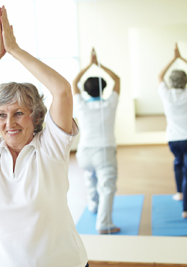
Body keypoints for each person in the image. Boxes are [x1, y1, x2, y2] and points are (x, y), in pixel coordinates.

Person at [0, 6, 88, 267]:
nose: (9, 123)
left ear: (35, 116)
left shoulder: (51, 146)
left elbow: (62, 91)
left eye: (19, 113)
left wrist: (15, 50)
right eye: (1, 115)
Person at [72, 48, 120, 234]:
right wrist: (99, 65)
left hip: (84, 152)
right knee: (107, 187)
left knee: (90, 177)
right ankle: (104, 223)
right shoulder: (110, 103)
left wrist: (89, 65)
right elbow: (118, 80)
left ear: (85, 90)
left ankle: (93, 205)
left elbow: (74, 82)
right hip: (104, 152)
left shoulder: (81, 105)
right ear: (104, 89)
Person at [157, 43, 187, 219]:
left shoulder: (166, 94)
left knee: (178, 163)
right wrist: (181, 58)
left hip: (173, 139)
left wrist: (173, 59)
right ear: (186, 81)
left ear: (171, 82)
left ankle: (179, 193)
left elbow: (159, 75)